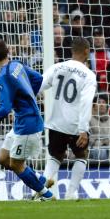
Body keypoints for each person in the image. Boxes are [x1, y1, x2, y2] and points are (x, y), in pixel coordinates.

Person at [0, 38, 54, 201]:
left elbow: (4, 109)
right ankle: (40, 180)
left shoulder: (2, 77)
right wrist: (27, 95)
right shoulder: (17, 65)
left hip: (28, 124)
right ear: (8, 50)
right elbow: (39, 78)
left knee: (16, 164)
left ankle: (45, 194)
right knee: (3, 158)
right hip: (22, 121)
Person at [39, 37, 97, 200]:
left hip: (55, 122)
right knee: (81, 155)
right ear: (86, 51)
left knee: (55, 156)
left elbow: (39, 86)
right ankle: (71, 194)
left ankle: (43, 193)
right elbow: (86, 103)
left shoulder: (57, 67)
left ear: (72, 50)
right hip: (74, 124)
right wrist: (83, 129)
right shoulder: (88, 75)